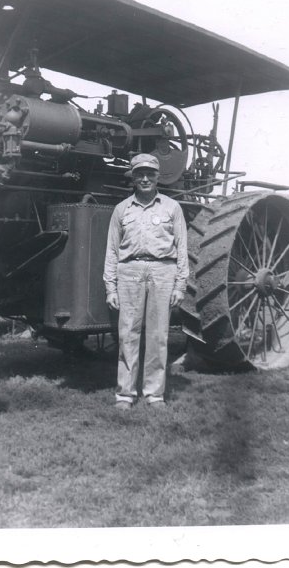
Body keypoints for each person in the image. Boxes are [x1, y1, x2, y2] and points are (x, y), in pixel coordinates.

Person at [103, 153, 189, 410]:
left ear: (157, 176)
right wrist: (110, 287)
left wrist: (180, 285)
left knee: (158, 335)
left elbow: (181, 248)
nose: (145, 178)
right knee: (128, 333)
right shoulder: (121, 210)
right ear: (133, 177)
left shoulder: (172, 208)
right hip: (129, 271)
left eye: (150, 174)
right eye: (139, 174)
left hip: (163, 271)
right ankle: (125, 395)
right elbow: (112, 251)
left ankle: (154, 394)